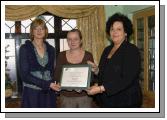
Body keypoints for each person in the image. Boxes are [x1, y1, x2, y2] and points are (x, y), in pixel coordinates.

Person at [87, 13, 143, 108]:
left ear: (126, 32)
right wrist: (96, 70)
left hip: (126, 101)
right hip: (106, 100)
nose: (114, 32)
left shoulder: (132, 50)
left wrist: (100, 88)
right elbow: (105, 73)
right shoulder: (107, 50)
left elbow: (126, 79)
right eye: (112, 29)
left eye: (119, 29)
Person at [19, 18, 60, 108]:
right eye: (36, 28)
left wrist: (56, 83)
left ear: (45, 31)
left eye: (41, 28)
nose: (39, 31)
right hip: (31, 94)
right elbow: (24, 75)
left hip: (49, 93)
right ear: (32, 31)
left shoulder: (51, 49)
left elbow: (52, 72)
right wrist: (47, 84)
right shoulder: (24, 48)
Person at [54, 29, 95, 108]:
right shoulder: (61, 55)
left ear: (81, 40)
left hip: (84, 97)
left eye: (75, 39)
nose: (72, 42)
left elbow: (92, 77)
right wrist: (61, 84)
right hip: (66, 97)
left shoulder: (88, 55)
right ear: (67, 41)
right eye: (69, 39)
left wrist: (82, 85)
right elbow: (57, 75)